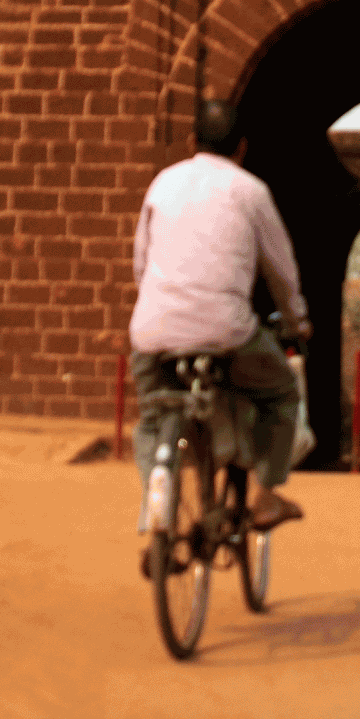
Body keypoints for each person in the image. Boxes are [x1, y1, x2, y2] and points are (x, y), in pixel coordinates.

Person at [130, 98, 312, 548]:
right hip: (227, 333)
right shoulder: (250, 191)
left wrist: (158, 304)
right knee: (281, 394)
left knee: (154, 417)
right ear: (242, 148)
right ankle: (266, 493)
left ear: (192, 142)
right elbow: (281, 269)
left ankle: (159, 506)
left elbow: (141, 260)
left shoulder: (162, 184)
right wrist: (297, 321)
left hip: (154, 332)